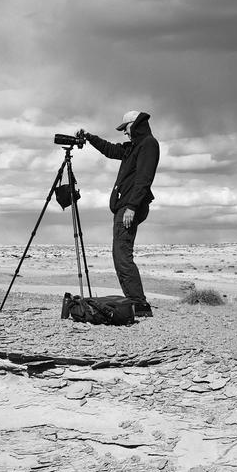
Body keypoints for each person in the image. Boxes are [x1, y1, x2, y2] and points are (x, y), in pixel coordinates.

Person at [80, 111, 159, 317]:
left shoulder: (148, 144)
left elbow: (144, 178)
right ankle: (135, 301)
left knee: (122, 254)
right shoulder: (133, 147)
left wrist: (132, 207)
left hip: (130, 207)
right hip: (125, 206)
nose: (124, 133)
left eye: (125, 128)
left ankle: (138, 304)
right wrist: (89, 137)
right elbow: (110, 150)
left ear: (136, 124)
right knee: (120, 254)